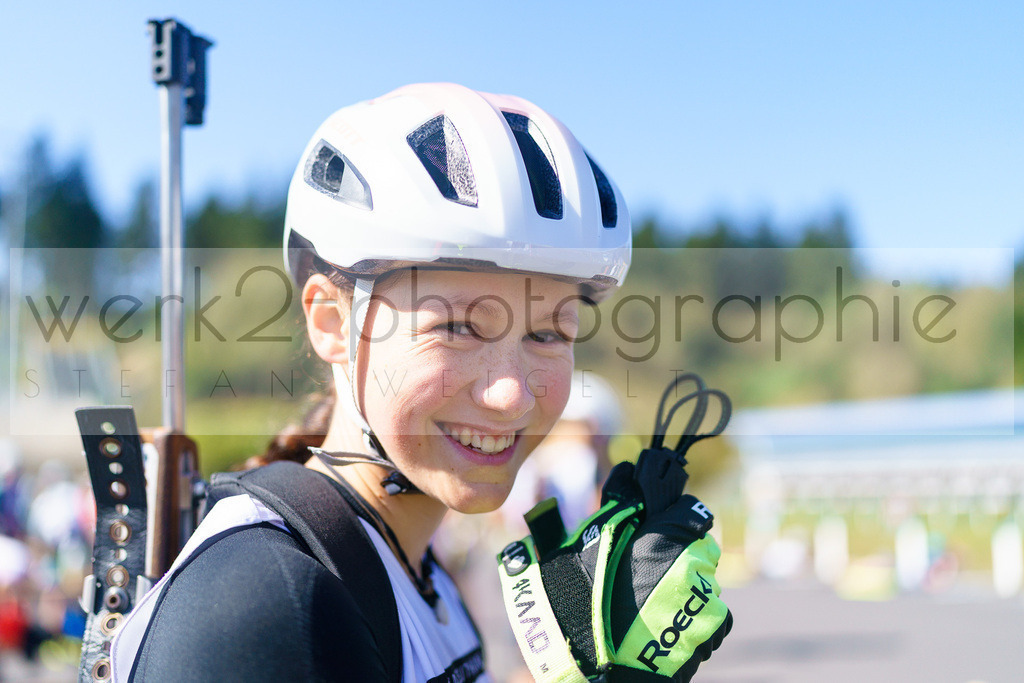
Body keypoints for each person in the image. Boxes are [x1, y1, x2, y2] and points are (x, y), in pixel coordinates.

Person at [108, 83, 729, 682]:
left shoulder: (417, 574)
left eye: (549, 334)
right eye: (458, 327)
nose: (511, 393)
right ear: (331, 323)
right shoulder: (266, 605)